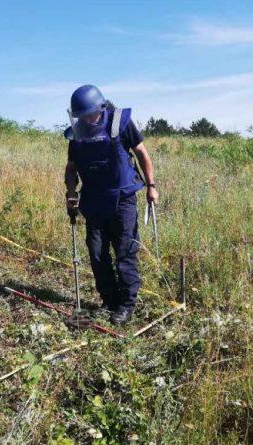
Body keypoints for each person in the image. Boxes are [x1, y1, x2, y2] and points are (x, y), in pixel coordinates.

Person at [63, 85, 158, 324]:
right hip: (93, 199)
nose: (86, 119)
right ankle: (109, 300)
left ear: (101, 107)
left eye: (89, 113)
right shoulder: (77, 133)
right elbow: (72, 167)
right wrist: (71, 192)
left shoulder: (120, 123)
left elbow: (142, 154)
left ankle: (126, 305)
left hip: (123, 198)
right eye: (81, 115)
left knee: (125, 252)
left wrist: (151, 185)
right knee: (96, 253)